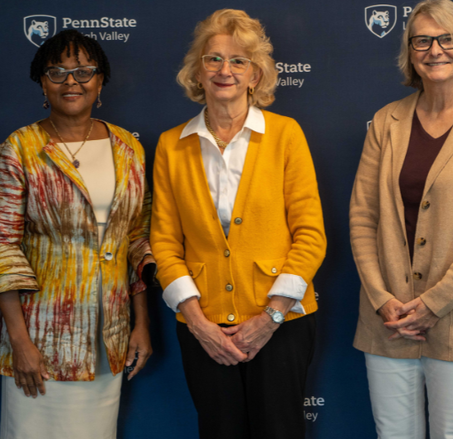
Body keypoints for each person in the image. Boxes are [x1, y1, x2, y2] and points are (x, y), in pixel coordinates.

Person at [0, 29, 155, 439]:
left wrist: (141, 324)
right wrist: (20, 342)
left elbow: (137, 240)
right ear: (42, 82)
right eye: (58, 72)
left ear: (101, 80)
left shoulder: (128, 149)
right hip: (40, 339)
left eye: (84, 71)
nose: (72, 82)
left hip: (109, 339)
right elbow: (0, 248)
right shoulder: (19, 148)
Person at [150, 9, 326, 439]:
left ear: (256, 75)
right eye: (213, 59)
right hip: (204, 327)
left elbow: (310, 235)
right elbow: (164, 245)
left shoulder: (286, 135)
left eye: (238, 61)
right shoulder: (171, 146)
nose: (224, 70)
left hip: (282, 325)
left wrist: (271, 317)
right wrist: (198, 323)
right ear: (197, 71)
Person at [350, 1, 453, 437]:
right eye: (422, 40)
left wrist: (433, 304)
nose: (435, 50)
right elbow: (362, 218)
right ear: (409, 52)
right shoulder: (386, 122)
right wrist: (382, 298)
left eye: (447, 39)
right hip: (386, 322)